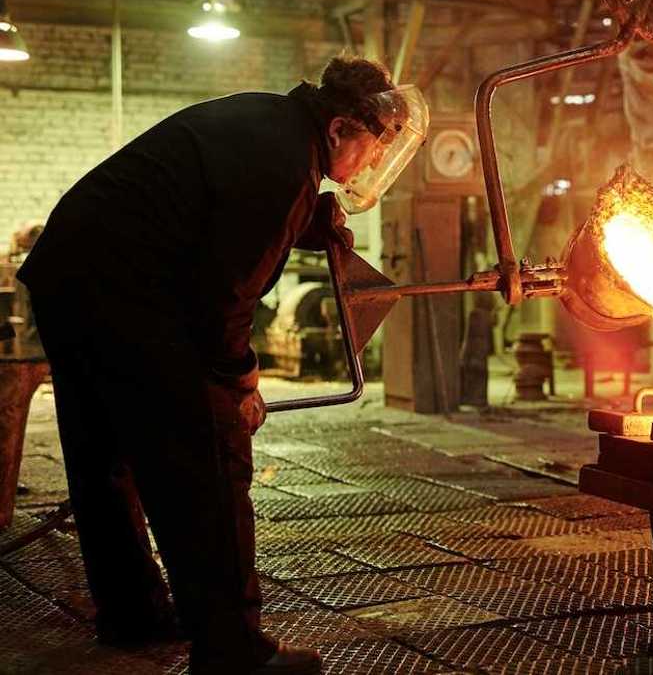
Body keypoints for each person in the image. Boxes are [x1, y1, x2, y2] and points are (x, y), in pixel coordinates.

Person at [17, 57, 428, 674]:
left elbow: (211, 209)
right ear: (341, 127)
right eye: (371, 148)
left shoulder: (272, 122)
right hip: (127, 293)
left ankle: (133, 612)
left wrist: (305, 220)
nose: (370, 164)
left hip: (69, 279)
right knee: (210, 454)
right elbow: (223, 301)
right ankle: (234, 651)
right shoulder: (286, 165)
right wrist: (239, 380)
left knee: (103, 454)